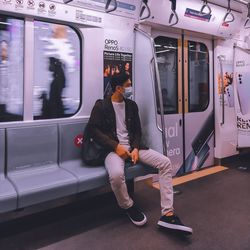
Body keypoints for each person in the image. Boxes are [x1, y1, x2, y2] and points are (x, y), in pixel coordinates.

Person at [88, 73, 193, 234]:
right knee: (116, 175)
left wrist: (135, 148)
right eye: (128, 85)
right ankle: (128, 206)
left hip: (134, 148)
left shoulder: (131, 105)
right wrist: (116, 146)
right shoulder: (101, 106)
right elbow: (93, 130)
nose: (130, 88)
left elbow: (137, 130)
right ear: (118, 88)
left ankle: (167, 213)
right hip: (112, 150)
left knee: (165, 163)